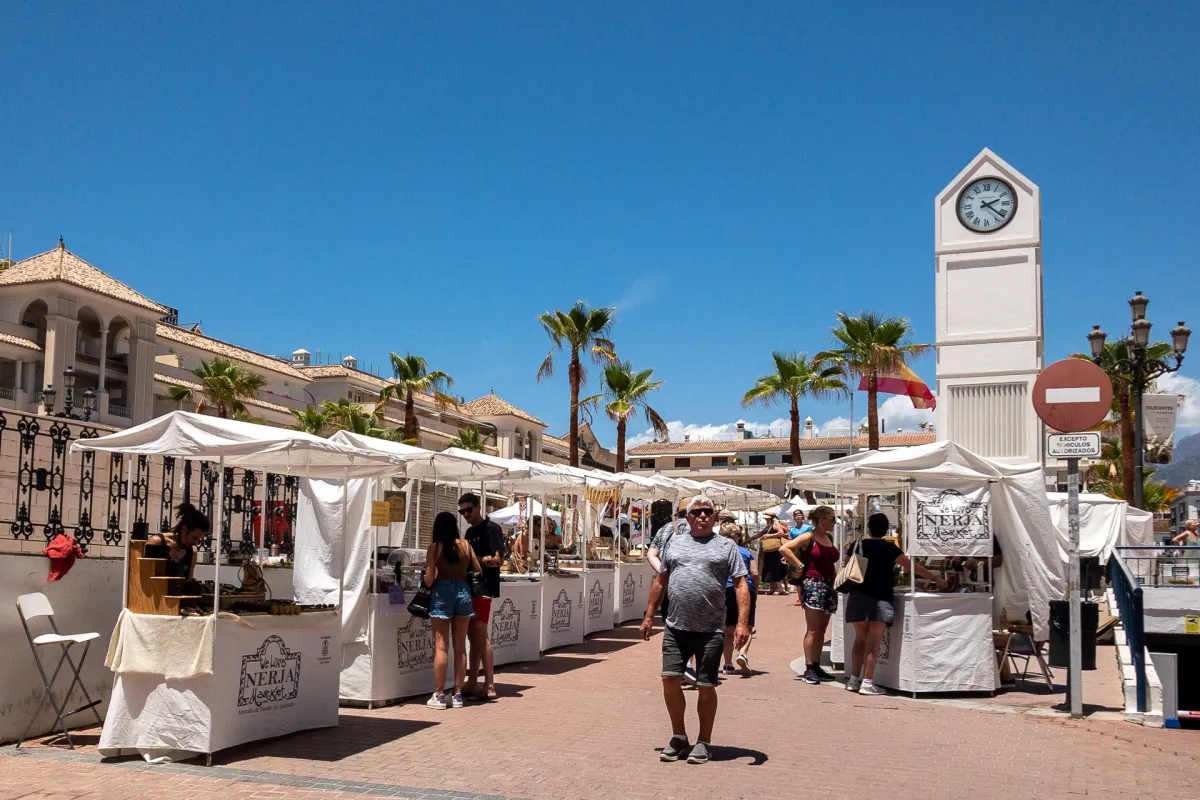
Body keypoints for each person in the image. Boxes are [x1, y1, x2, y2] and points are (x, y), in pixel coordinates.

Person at [641, 495, 750, 765]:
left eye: (708, 512)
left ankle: (703, 741)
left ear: (714, 517)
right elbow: (660, 580)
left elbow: (740, 584)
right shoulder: (674, 544)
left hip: (711, 629)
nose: (703, 516)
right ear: (687, 517)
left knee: (705, 685)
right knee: (669, 679)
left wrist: (743, 623)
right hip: (676, 626)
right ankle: (679, 736)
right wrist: (648, 616)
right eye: (697, 512)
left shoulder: (726, 546)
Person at [846, 512, 947, 695]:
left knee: (860, 639)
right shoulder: (890, 549)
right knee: (873, 643)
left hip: (858, 596)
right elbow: (912, 567)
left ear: (869, 528)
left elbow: (846, 566)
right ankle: (867, 683)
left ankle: (853, 680)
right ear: (885, 529)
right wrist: (936, 579)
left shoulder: (857, 544)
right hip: (880, 597)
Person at [423, 511, 482, 710]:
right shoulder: (465, 545)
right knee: (460, 647)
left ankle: (439, 694)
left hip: (442, 593)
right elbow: (478, 570)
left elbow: (429, 580)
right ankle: (457, 693)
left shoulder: (435, 548)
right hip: (463, 593)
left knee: (441, 647)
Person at [780, 505, 839, 684]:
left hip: (829, 584)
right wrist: (799, 565)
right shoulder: (809, 536)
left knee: (822, 629)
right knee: (813, 628)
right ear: (822, 520)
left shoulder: (828, 537)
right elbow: (785, 549)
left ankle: (816, 664)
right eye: (832, 519)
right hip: (813, 584)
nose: (834, 523)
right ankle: (809, 668)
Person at [460, 493, 504, 702]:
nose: (466, 514)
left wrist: (475, 560)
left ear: (479, 507)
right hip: (470, 588)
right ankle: (472, 682)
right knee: (473, 636)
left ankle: (489, 684)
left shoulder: (492, 529)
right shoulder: (469, 532)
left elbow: (498, 560)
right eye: (462, 512)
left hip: (484, 588)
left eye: (469, 510)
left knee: (480, 634)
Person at [720, 523, 757, 675]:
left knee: (728, 629)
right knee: (747, 626)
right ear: (738, 537)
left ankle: (727, 664)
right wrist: (754, 591)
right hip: (745, 588)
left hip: (726, 589)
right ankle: (742, 653)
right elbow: (754, 573)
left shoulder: (719, 552)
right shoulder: (745, 552)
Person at [146, 502, 210, 579]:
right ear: (184, 529)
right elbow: (146, 578)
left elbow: (188, 580)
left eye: (199, 539)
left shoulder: (191, 553)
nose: (196, 543)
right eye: (194, 538)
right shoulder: (157, 542)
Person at [749, 514, 789, 594]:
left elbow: (781, 532)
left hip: (775, 550)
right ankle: (772, 588)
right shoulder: (768, 526)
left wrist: (770, 535)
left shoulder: (776, 523)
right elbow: (759, 534)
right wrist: (748, 540)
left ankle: (779, 588)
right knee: (769, 569)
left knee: (775, 568)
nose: (765, 519)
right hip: (768, 550)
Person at [789, 509, 814, 606]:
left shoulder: (808, 528)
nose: (798, 517)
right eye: (796, 515)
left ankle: (808, 596)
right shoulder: (792, 530)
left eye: (799, 515)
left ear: (803, 516)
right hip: (796, 555)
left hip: (806, 553)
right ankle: (799, 598)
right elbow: (789, 543)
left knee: (807, 574)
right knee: (797, 576)